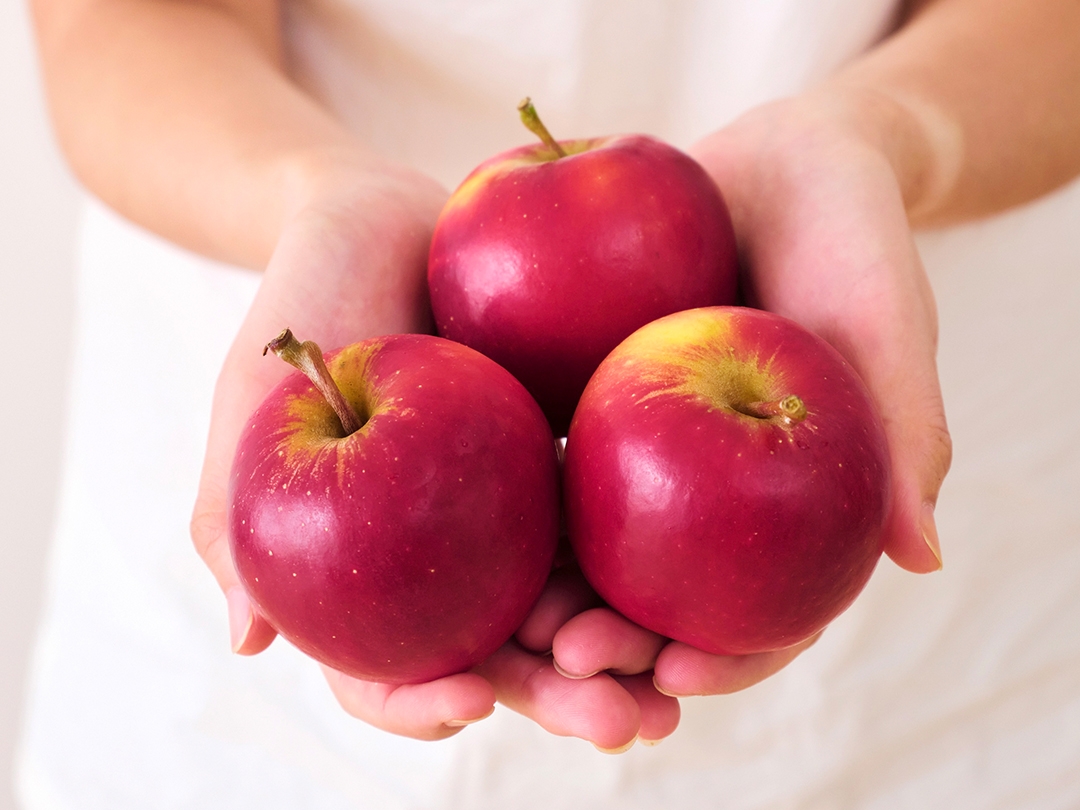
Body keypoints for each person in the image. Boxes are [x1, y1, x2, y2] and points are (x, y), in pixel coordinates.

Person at [18, 0, 1080, 806]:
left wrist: (884, 136)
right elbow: (121, 20)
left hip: (933, 658)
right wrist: (316, 193)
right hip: (249, 701)